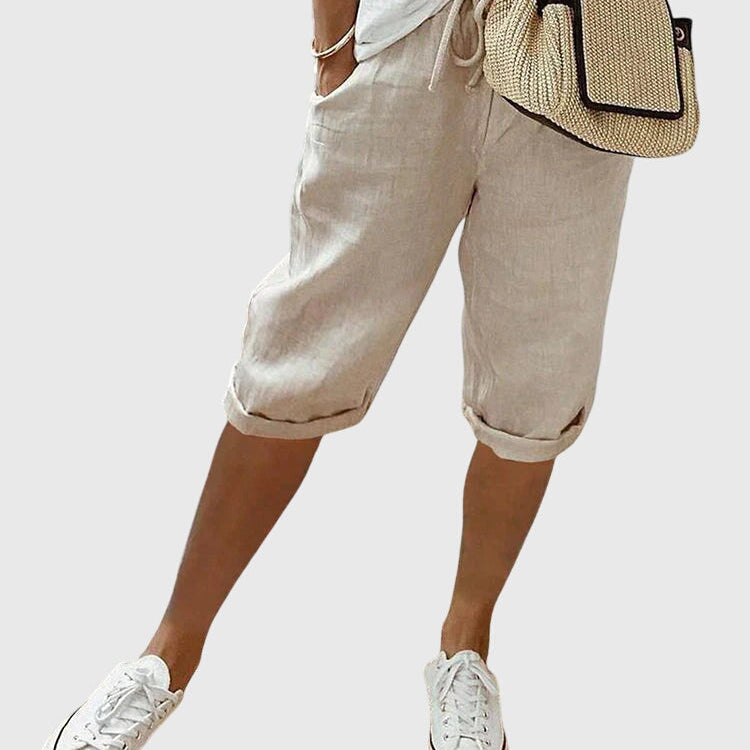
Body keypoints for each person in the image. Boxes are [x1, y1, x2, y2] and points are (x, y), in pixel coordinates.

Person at [42, 0, 633, 748]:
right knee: (298, 359)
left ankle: (466, 649)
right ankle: (168, 653)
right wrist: (334, 41)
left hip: (582, 52)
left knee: (538, 384)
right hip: (411, 42)